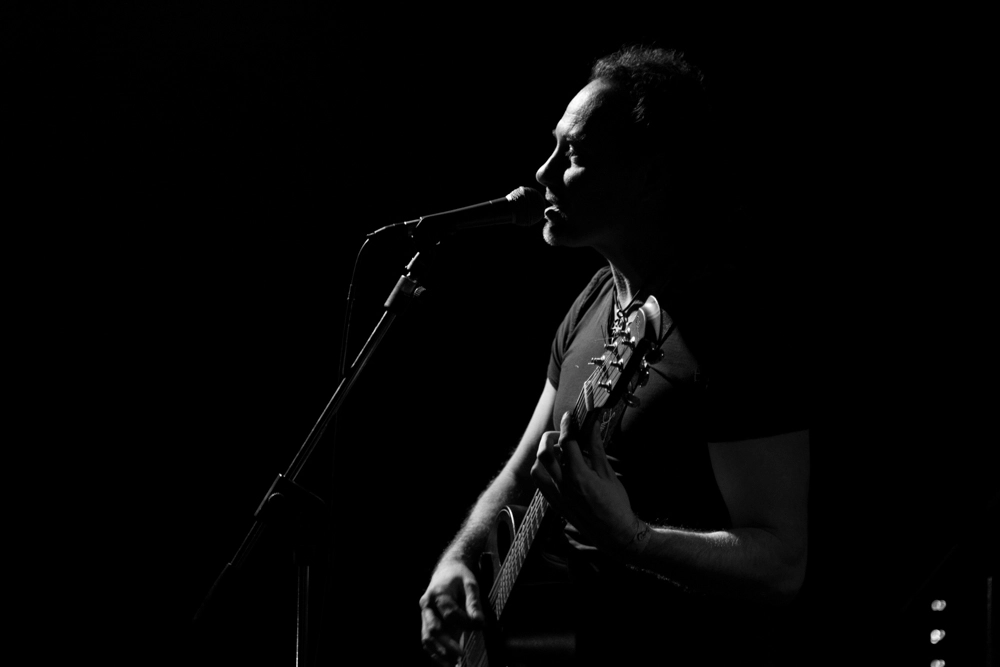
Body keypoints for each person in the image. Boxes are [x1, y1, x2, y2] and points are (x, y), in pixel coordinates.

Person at [419, 45, 810, 666]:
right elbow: (524, 468)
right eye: (552, 148)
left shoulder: (733, 327)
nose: (542, 173)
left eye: (572, 154)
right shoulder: (596, 299)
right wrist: (459, 558)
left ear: (650, 175)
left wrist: (635, 541)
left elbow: (781, 564)